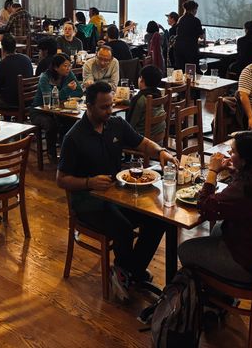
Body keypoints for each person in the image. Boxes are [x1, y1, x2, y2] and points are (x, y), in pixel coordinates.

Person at [57, 81, 178, 301]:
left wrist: (161, 152)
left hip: (117, 194)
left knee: (159, 219)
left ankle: (127, 271)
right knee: (123, 229)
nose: (109, 111)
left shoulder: (115, 125)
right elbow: (61, 179)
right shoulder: (73, 138)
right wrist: (88, 183)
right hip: (88, 201)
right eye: (104, 107)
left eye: (111, 106)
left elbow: (142, 142)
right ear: (89, 106)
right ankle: (131, 272)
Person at [179, 132, 252, 283]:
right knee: (218, 229)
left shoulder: (247, 187)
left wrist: (213, 172)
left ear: (245, 159)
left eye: (233, 152)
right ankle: (217, 297)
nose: (229, 153)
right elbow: (248, 198)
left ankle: (214, 299)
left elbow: (206, 208)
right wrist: (236, 170)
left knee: (185, 250)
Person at [31, 54, 84, 160]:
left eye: (69, 65)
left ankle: (67, 152)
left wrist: (65, 95)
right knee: (51, 124)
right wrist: (67, 90)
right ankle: (52, 154)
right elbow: (50, 99)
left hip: (60, 110)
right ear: (55, 67)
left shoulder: (69, 74)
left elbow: (79, 91)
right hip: (40, 111)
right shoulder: (45, 77)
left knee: (70, 121)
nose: (68, 68)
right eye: (65, 66)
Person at [126, 65, 166, 137]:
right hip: (158, 138)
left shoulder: (140, 99)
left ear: (142, 79)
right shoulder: (159, 94)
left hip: (143, 141)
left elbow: (130, 125)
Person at [173, 0, 204, 70]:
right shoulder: (196, 20)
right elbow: (201, 36)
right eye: (196, 9)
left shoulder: (180, 19)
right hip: (190, 48)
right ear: (193, 10)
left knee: (181, 70)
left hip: (178, 48)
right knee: (191, 71)